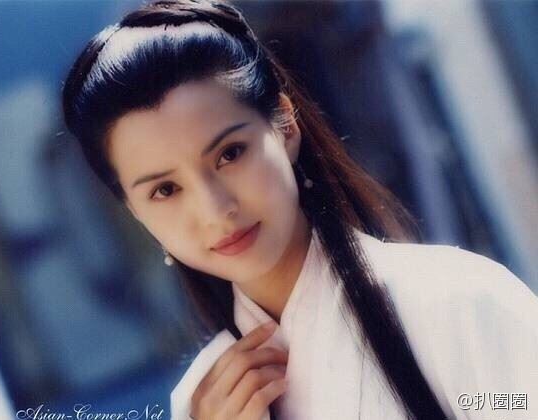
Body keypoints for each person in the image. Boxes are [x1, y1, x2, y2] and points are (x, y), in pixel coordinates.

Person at [61, 1, 538, 419]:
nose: (215, 209)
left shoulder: (458, 305)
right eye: (166, 190)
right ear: (135, 212)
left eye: (230, 154)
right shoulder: (201, 402)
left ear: (285, 126)